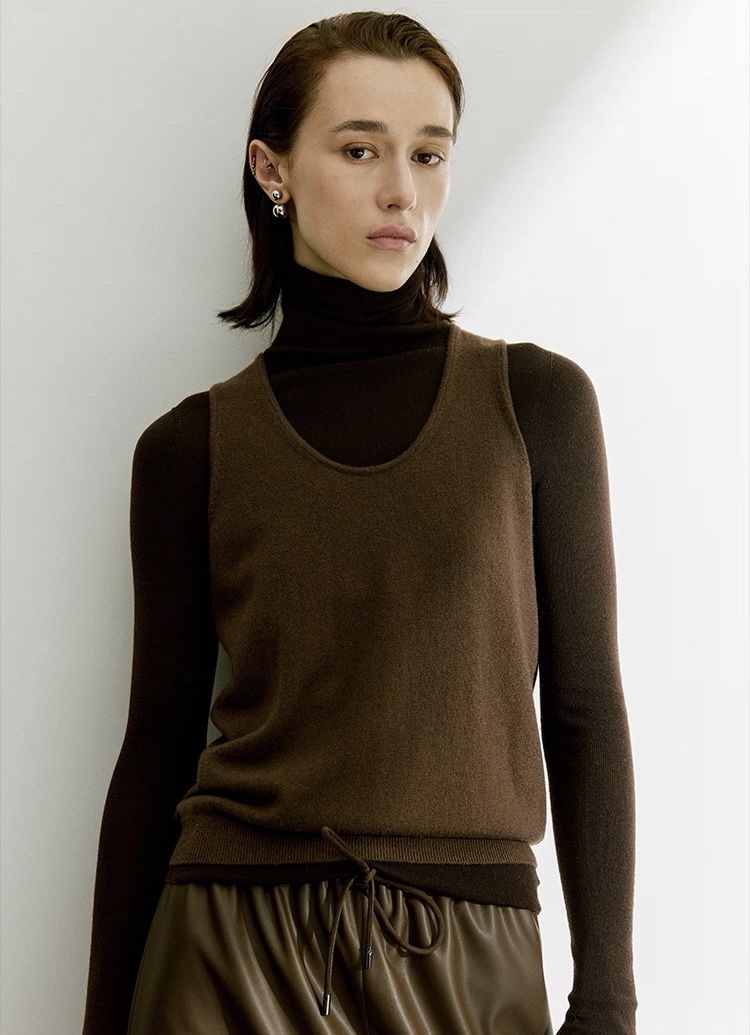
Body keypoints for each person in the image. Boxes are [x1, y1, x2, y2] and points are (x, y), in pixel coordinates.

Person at [82, 12, 636, 1035]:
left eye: (429, 153)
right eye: (359, 149)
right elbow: (155, 747)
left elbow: (586, 707)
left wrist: (607, 998)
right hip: (227, 949)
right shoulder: (189, 448)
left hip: (468, 952)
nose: (401, 192)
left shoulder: (538, 405)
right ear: (272, 169)